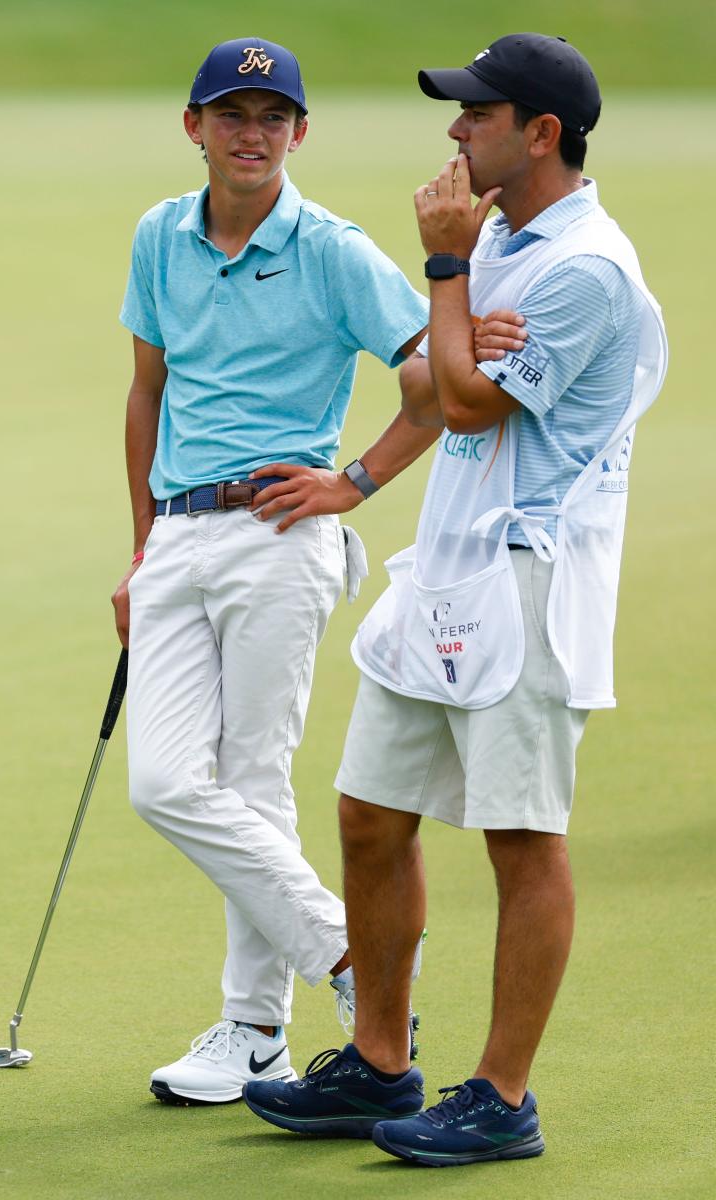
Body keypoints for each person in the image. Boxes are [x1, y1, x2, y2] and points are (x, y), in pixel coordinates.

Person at [243, 32, 667, 1161]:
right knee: (370, 815)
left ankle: (504, 1095)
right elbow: (435, 382)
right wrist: (374, 458)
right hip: (445, 570)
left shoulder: (585, 266)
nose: (453, 128)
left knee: (524, 838)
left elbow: (474, 404)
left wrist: (444, 274)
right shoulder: (505, 239)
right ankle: (381, 1063)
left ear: (541, 133)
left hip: (533, 579)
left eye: (477, 113)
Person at [112, 36, 438, 1106]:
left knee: (253, 781)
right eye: (230, 113)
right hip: (178, 540)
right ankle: (349, 953)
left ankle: (252, 1037)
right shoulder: (161, 235)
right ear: (194, 127)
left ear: (299, 133)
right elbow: (147, 392)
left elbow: (432, 383)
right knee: (165, 782)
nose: (251, 134)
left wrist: (354, 481)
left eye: (272, 117)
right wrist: (140, 542)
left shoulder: (335, 250)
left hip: (279, 538)